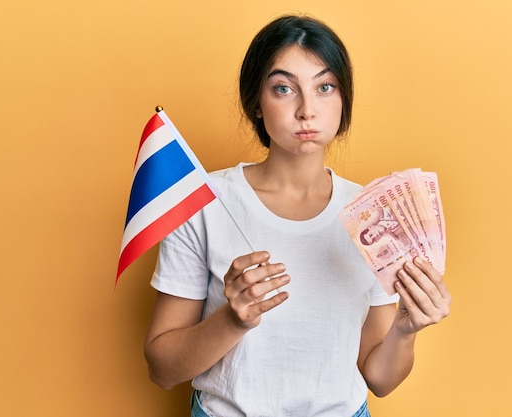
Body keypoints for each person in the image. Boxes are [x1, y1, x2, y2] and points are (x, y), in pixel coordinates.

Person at [144, 15, 451, 417]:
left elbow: (379, 378)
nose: (307, 110)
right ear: (256, 102)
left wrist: (407, 328)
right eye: (284, 88)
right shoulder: (204, 202)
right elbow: (162, 369)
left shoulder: (373, 213)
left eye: (325, 87)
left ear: (344, 100)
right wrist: (233, 320)